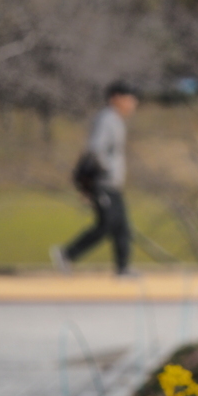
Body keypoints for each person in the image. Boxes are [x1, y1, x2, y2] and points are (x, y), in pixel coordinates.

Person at [51, 81, 139, 276]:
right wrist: (105, 171)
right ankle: (67, 253)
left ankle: (123, 268)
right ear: (116, 98)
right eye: (129, 99)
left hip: (112, 184)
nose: (133, 104)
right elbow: (95, 148)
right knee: (107, 224)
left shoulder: (116, 120)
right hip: (103, 182)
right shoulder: (107, 119)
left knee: (122, 226)